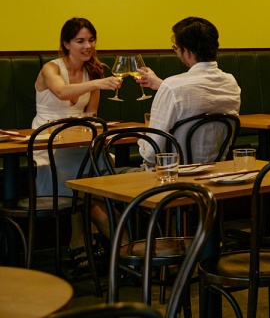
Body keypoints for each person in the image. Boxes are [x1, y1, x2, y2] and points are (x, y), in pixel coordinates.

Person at [32, 18, 122, 272]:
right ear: (66, 43)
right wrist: (98, 83)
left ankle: (84, 243)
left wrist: (96, 83)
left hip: (80, 140)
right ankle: (125, 250)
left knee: (89, 183)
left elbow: (91, 114)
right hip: (48, 142)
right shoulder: (51, 68)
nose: (88, 46)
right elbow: (61, 92)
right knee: (84, 186)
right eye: (80, 41)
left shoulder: (93, 72)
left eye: (91, 40)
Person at [135, 17, 240, 166]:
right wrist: (162, 85)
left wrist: (142, 136)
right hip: (217, 172)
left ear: (187, 52)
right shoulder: (231, 82)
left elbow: (151, 154)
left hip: (173, 175)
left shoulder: (173, 86)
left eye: (177, 48)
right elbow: (197, 95)